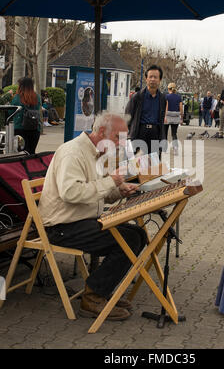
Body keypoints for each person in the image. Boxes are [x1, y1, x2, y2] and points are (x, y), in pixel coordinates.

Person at [38, 112, 147, 320]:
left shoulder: (96, 153)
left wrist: (118, 191)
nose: (121, 144)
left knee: (137, 234)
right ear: (101, 133)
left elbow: (96, 195)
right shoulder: (73, 152)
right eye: (118, 138)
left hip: (80, 219)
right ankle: (93, 297)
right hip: (62, 227)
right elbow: (70, 193)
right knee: (129, 239)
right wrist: (111, 182)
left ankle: (101, 291)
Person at [125, 65, 166, 156]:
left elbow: (162, 119)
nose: (152, 79)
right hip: (139, 132)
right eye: (150, 77)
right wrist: (130, 133)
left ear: (160, 80)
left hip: (155, 133)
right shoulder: (137, 97)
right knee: (137, 164)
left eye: (155, 77)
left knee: (154, 163)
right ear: (146, 79)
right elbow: (128, 116)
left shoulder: (162, 98)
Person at [10, 77, 41, 154]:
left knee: (21, 154)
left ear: (21, 85)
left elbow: (11, 112)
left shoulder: (17, 97)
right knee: (31, 152)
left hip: (19, 128)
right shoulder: (37, 97)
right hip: (35, 128)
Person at [164, 82, 183, 155]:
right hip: (176, 116)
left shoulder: (167, 96)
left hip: (168, 115)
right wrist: (181, 117)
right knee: (174, 133)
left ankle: (165, 149)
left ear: (168, 89)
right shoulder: (179, 97)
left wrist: (165, 116)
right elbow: (181, 108)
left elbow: (166, 107)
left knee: (164, 133)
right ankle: (175, 148)